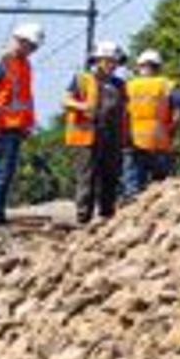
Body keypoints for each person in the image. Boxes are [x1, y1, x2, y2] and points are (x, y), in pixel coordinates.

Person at [0, 22, 43, 226]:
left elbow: (25, 97)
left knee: (7, 171)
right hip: (1, 125)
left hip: (16, 125)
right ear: (21, 40)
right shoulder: (1, 60)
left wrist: (27, 124)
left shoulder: (25, 64)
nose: (32, 51)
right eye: (31, 46)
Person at [62, 43, 128, 224]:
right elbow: (66, 100)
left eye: (114, 62)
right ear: (98, 60)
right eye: (108, 61)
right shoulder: (82, 79)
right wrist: (83, 106)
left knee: (110, 176)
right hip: (86, 136)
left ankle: (107, 215)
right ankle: (84, 217)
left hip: (111, 136)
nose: (112, 65)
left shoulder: (119, 84)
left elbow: (124, 110)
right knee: (87, 177)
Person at [122, 48, 180, 197]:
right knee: (162, 187)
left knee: (133, 185)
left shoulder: (128, 86)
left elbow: (120, 114)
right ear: (159, 67)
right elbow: (178, 111)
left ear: (139, 66)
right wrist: (172, 132)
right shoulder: (168, 85)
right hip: (160, 140)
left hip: (134, 141)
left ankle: (133, 214)